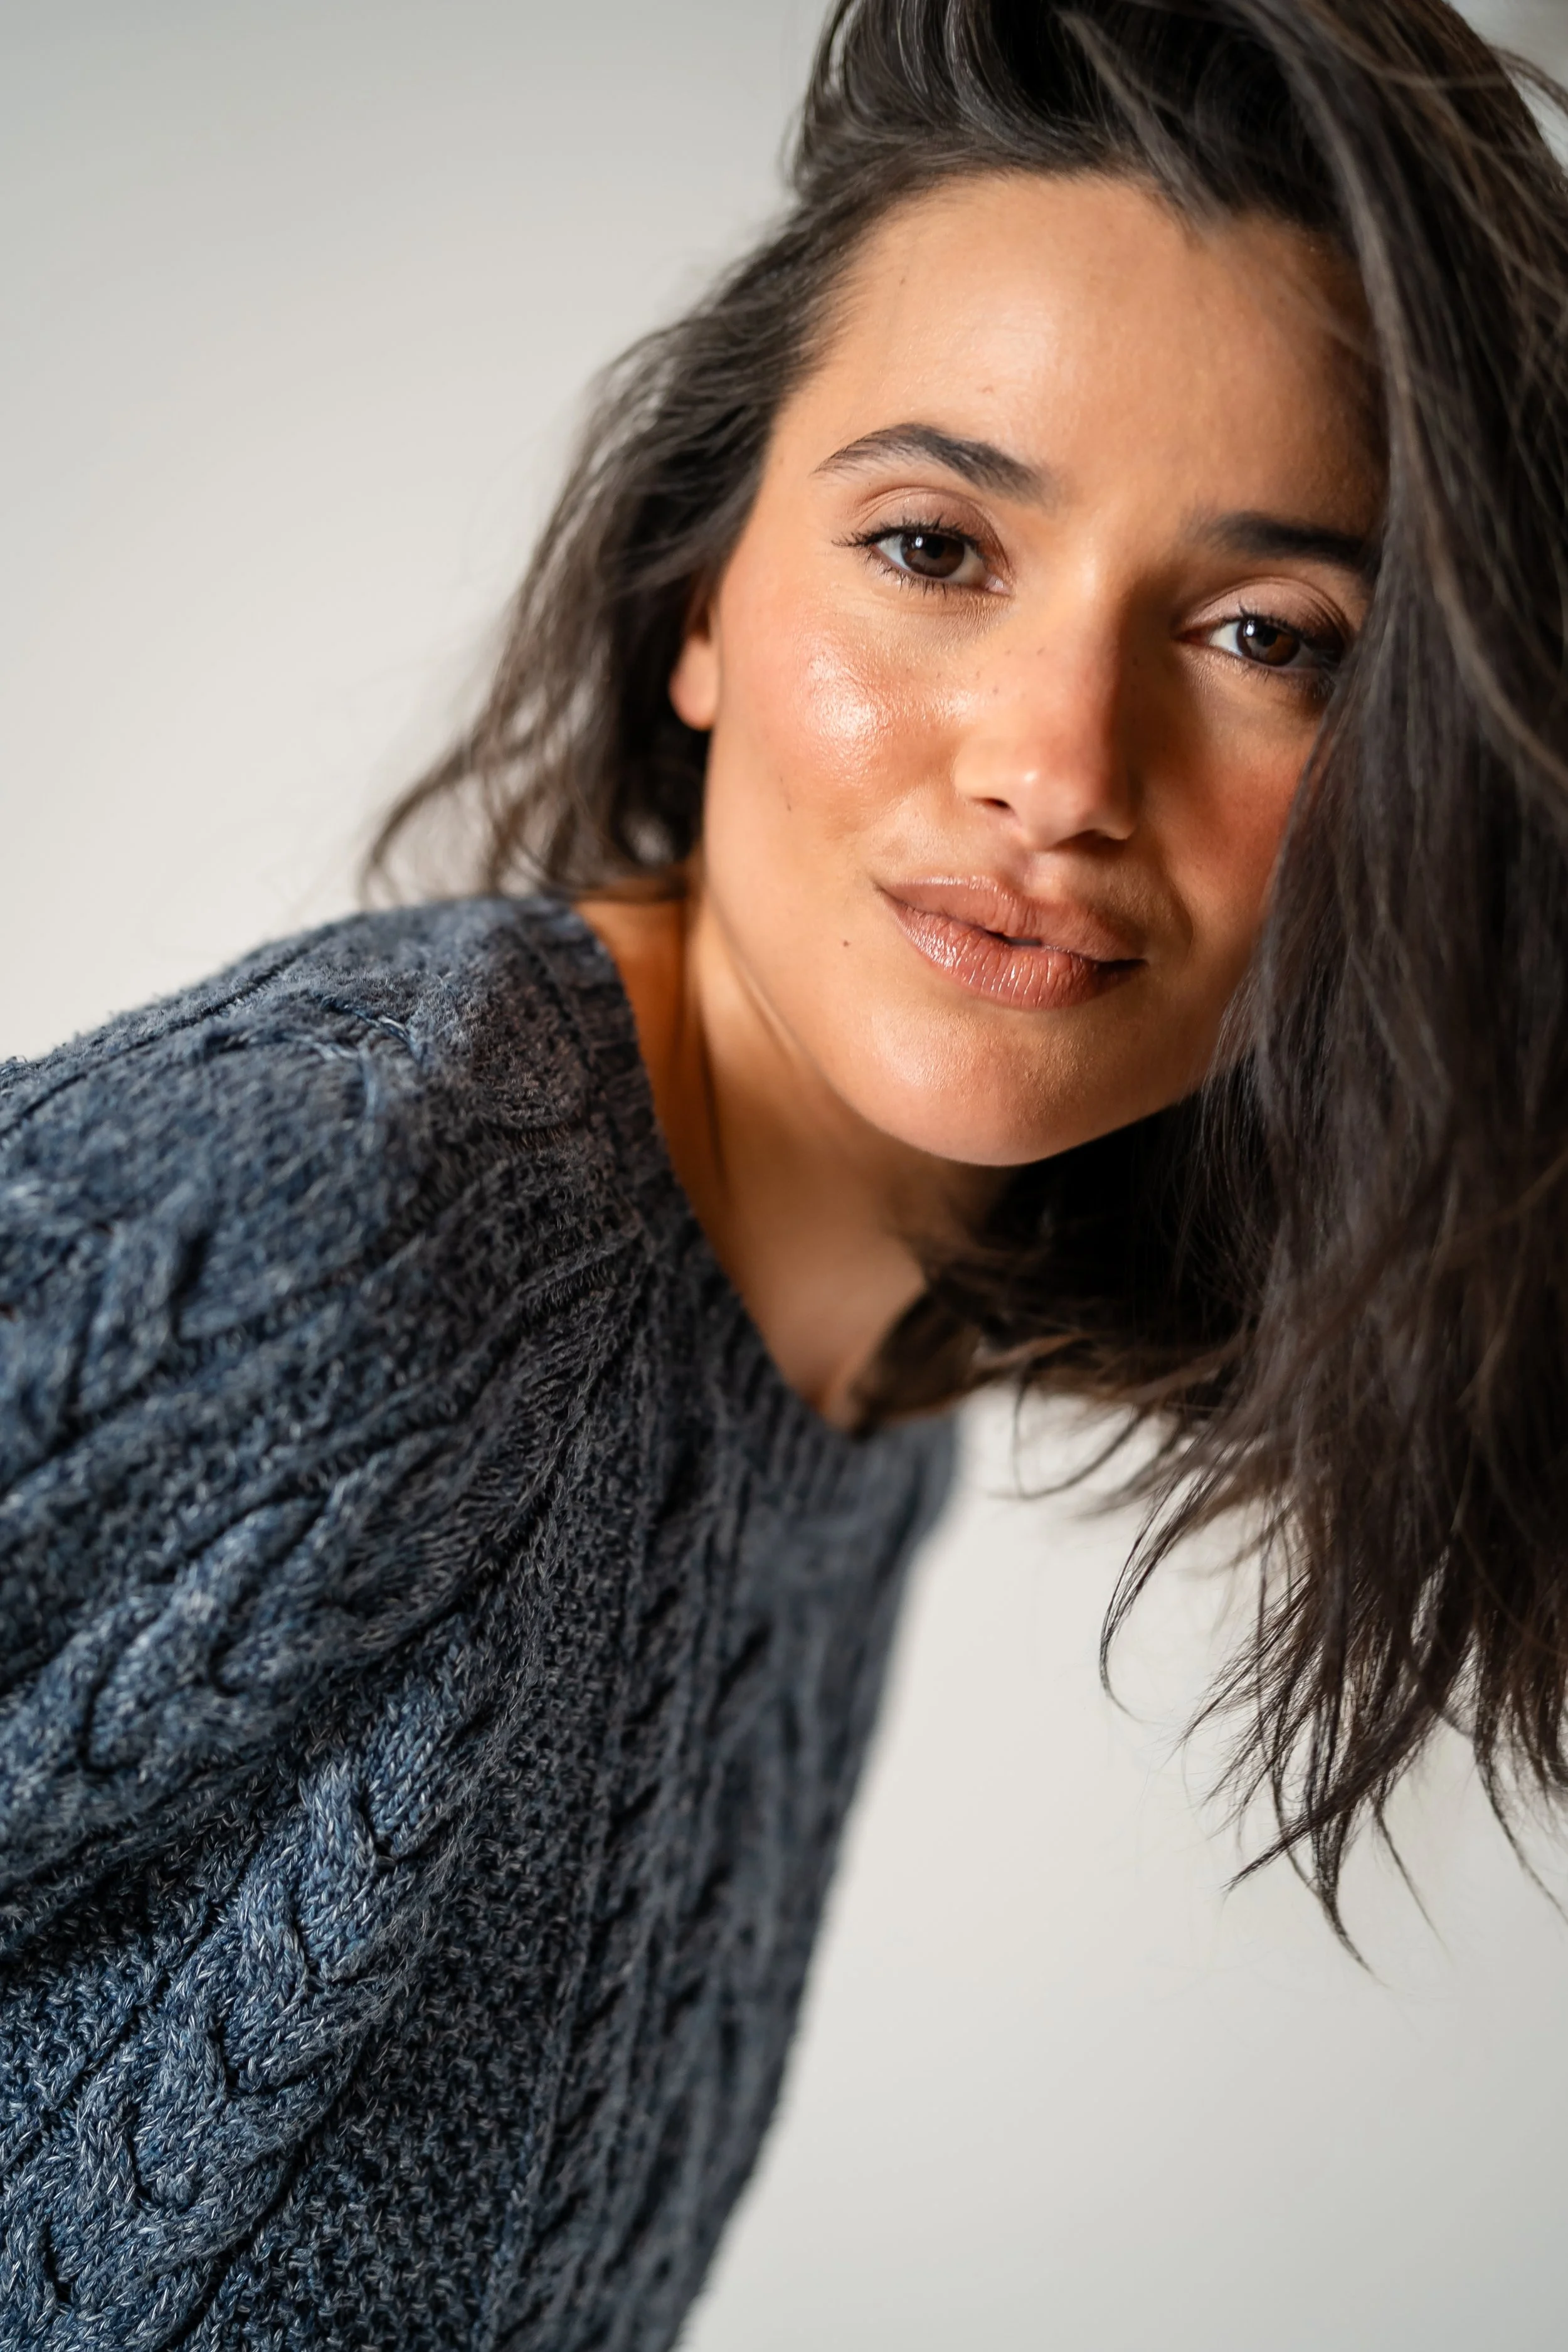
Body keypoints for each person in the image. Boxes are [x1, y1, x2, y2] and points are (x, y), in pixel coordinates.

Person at [3, 0, 1564, 2342]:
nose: (1058, 763)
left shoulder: (876, 1359)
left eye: (1268, 637)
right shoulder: (360, 1204)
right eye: (935, 545)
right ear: (704, 595)